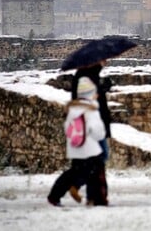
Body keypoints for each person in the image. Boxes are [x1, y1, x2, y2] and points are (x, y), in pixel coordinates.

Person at [48, 77, 108, 206]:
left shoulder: (72, 109)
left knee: (73, 172)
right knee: (94, 172)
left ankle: (55, 195)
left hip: (75, 148)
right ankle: (93, 198)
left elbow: (67, 128)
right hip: (90, 148)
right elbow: (98, 132)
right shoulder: (91, 110)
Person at [68, 61, 113, 203]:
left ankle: (93, 195)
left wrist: (102, 88)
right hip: (92, 123)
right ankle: (80, 186)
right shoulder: (85, 76)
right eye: (103, 59)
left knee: (97, 159)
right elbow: (87, 100)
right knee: (99, 157)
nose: (106, 62)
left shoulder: (90, 75)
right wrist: (101, 89)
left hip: (93, 122)